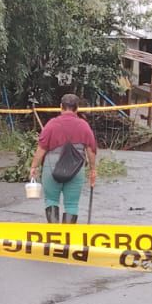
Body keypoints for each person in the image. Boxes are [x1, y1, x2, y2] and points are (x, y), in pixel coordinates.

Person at [29, 93, 99, 224]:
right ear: (77, 108)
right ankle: (67, 240)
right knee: (72, 205)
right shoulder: (84, 126)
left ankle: (54, 239)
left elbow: (41, 149)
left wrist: (34, 166)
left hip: (51, 168)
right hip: (76, 170)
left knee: (51, 201)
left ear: (61, 107)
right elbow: (91, 150)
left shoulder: (51, 125)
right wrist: (93, 170)